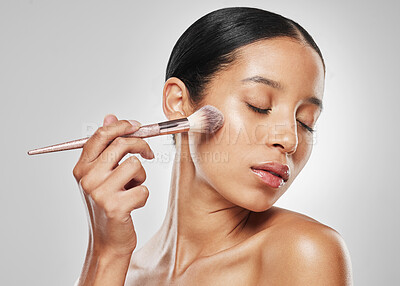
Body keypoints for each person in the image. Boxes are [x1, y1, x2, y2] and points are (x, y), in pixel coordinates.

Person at [72, 7, 353, 285]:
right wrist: (107, 253)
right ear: (178, 102)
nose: (290, 140)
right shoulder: (128, 272)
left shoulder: (304, 252)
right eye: (259, 105)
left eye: (305, 122)